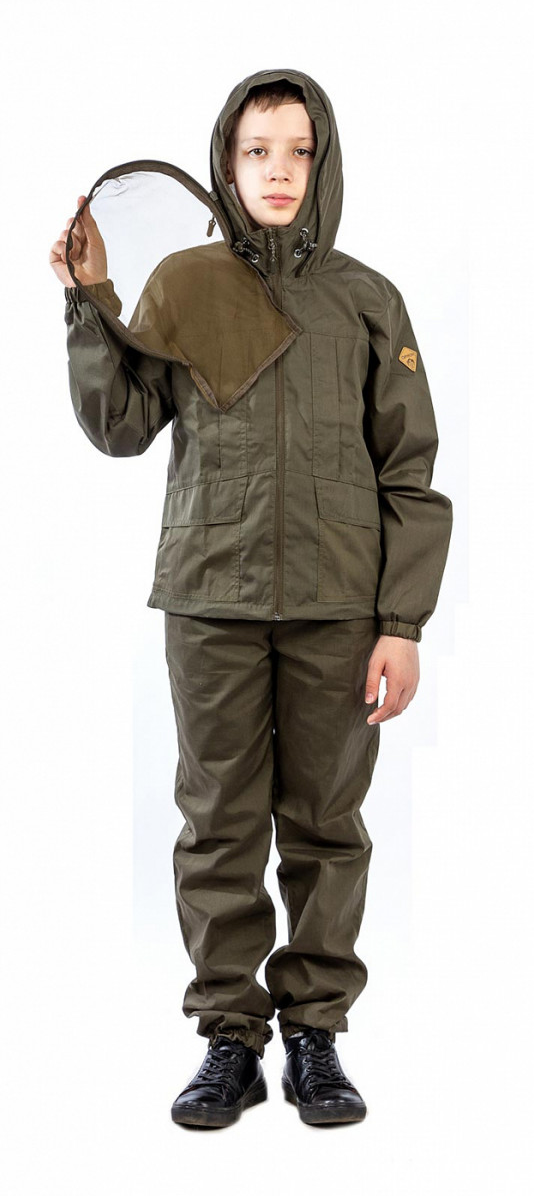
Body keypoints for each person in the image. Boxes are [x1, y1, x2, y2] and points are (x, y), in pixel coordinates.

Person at [49, 67, 453, 1130]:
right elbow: (121, 425)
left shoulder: (368, 299)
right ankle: (230, 1038)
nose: (279, 170)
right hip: (210, 597)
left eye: (299, 150)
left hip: (339, 604)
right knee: (218, 823)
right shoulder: (185, 281)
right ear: (226, 164)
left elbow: (409, 470)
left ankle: (315, 1034)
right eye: (257, 150)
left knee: (326, 823)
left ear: (325, 162)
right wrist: (90, 301)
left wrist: (402, 623)